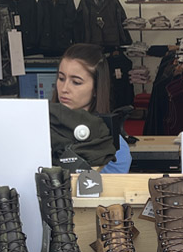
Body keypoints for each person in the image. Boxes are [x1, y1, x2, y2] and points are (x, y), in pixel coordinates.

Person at [49, 43, 131, 173]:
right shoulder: (38, 132)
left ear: (96, 89)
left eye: (76, 82)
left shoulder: (115, 149)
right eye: (61, 78)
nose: (64, 89)